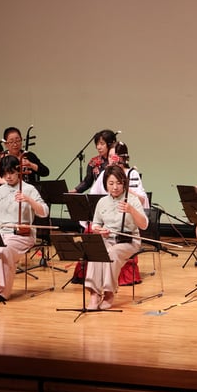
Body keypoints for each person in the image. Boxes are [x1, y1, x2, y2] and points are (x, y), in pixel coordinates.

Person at [0, 154, 49, 302]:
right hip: (1, 232)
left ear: (18, 171)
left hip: (21, 235)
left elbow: (44, 212)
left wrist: (28, 200)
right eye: (5, 174)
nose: (8, 177)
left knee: (2, 250)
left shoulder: (28, 189)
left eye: (11, 173)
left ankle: (1, 292)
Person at [86, 165, 148, 310]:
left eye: (119, 183)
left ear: (124, 183)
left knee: (112, 253)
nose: (115, 187)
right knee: (96, 251)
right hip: (107, 239)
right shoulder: (102, 202)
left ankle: (109, 293)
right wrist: (99, 230)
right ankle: (94, 294)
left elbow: (144, 225)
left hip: (128, 241)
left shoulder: (132, 200)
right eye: (111, 183)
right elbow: (95, 225)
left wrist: (131, 210)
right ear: (105, 184)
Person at [70, 130, 117, 194]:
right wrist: (75, 190)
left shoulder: (116, 161)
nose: (98, 147)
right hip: (98, 195)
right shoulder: (94, 162)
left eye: (102, 144)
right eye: (97, 144)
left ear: (110, 144)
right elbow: (87, 181)